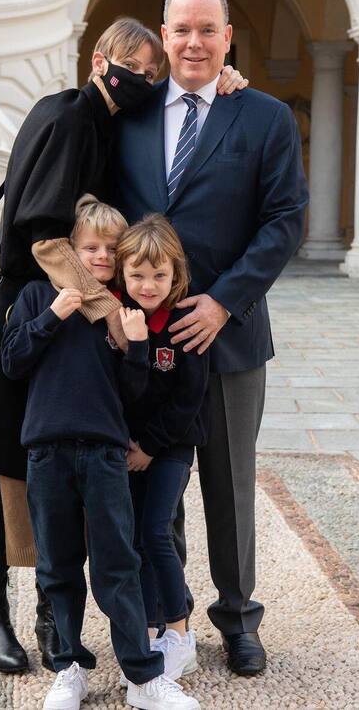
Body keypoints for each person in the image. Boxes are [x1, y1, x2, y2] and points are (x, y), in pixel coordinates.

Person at [0, 18, 165, 673]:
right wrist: (104, 311)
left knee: (44, 472)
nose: (144, 81)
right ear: (100, 60)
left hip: (54, 311)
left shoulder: (93, 119)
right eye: (134, 66)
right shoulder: (71, 115)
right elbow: (43, 236)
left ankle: (52, 620)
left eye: (153, 74)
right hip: (19, 316)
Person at [112, 0, 309, 675]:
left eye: (207, 30)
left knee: (229, 487)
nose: (194, 42)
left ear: (228, 37)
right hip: (143, 344)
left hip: (228, 338)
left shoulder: (262, 117)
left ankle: (238, 618)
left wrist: (224, 300)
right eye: (181, 29)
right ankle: (172, 618)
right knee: (153, 481)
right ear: (163, 38)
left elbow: (285, 219)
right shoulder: (127, 117)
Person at [1, 197, 200, 710]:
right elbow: (12, 361)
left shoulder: (121, 314)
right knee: (58, 565)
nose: (99, 256)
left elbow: (133, 396)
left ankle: (143, 676)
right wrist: (51, 316)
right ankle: (68, 668)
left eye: (111, 248)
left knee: (118, 565)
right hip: (46, 448)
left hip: (106, 452)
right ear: (72, 246)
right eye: (89, 246)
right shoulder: (36, 295)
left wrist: (135, 347)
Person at [115, 215, 209, 683]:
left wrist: (151, 446)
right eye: (137, 275)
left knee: (157, 531)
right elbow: (124, 392)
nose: (148, 285)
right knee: (133, 537)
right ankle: (151, 627)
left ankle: (179, 630)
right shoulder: (119, 320)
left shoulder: (183, 323)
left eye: (159, 275)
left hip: (170, 446)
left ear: (177, 275)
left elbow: (189, 397)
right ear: (121, 273)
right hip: (127, 448)